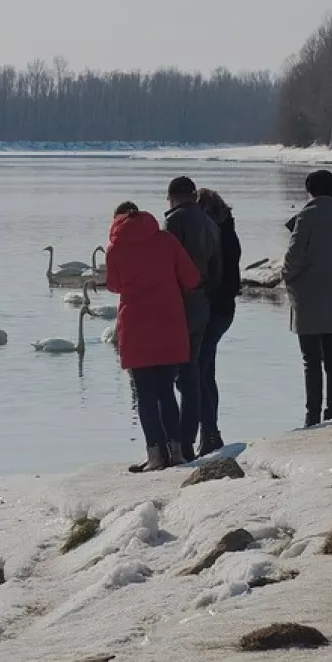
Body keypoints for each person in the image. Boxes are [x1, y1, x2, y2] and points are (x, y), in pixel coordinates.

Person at [105, 199, 200, 472]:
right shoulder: (166, 240)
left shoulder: (116, 248)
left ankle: (155, 456)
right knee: (166, 392)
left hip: (135, 327)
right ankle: (177, 452)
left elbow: (113, 285)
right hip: (169, 322)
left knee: (144, 395)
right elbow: (191, 278)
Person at [283, 170, 332, 428]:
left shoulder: (305, 217)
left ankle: (312, 414)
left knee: (311, 359)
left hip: (306, 296)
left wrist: (289, 275)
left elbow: (294, 255)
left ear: (310, 190)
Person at [162, 176, 221, 457]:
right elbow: (217, 271)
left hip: (177, 308)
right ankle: (189, 439)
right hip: (201, 306)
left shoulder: (173, 224)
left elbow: (166, 268)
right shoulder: (211, 224)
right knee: (193, 376)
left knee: (166, 378)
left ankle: (175, 442)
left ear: (172, 196)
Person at [194, 188, 240, 454]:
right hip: (225, 309)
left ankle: (209, 432)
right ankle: (209, 431)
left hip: (213, 308)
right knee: (205, 370)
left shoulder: (212, 235)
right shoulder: (229, 232)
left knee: (200, 371)